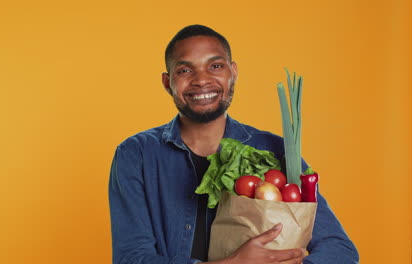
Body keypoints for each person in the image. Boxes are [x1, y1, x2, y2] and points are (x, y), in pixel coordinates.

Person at [109, 25, 359, 264]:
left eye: (215, 66)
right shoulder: (136, 155)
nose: (201, 80)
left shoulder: (276, 151)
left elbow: (340, 250)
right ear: (167, 82)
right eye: (185, 70)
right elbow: (130, 258)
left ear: (233, 72)